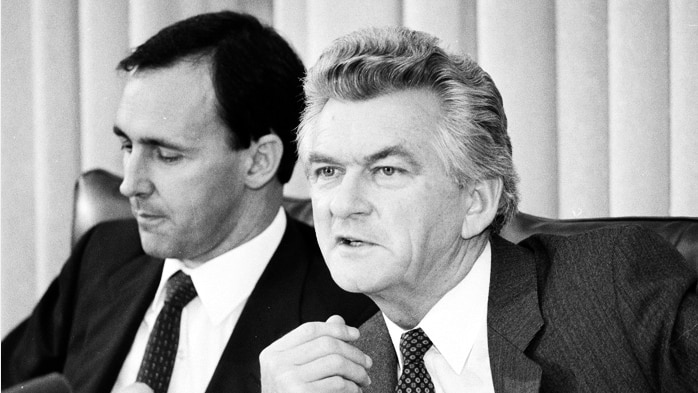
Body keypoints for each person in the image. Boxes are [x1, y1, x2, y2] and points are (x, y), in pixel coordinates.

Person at [259, 26, 698, 392]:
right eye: (329, 171)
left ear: (477, 202)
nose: (344, 205)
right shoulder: (343, 368)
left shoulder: (609, 289)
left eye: (387, 170)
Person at [2, 11, 376, 393]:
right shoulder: (102, 255)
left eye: (167, 156)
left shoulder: (350, 312)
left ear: (259, 161)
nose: (129, 185)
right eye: (127, 146)